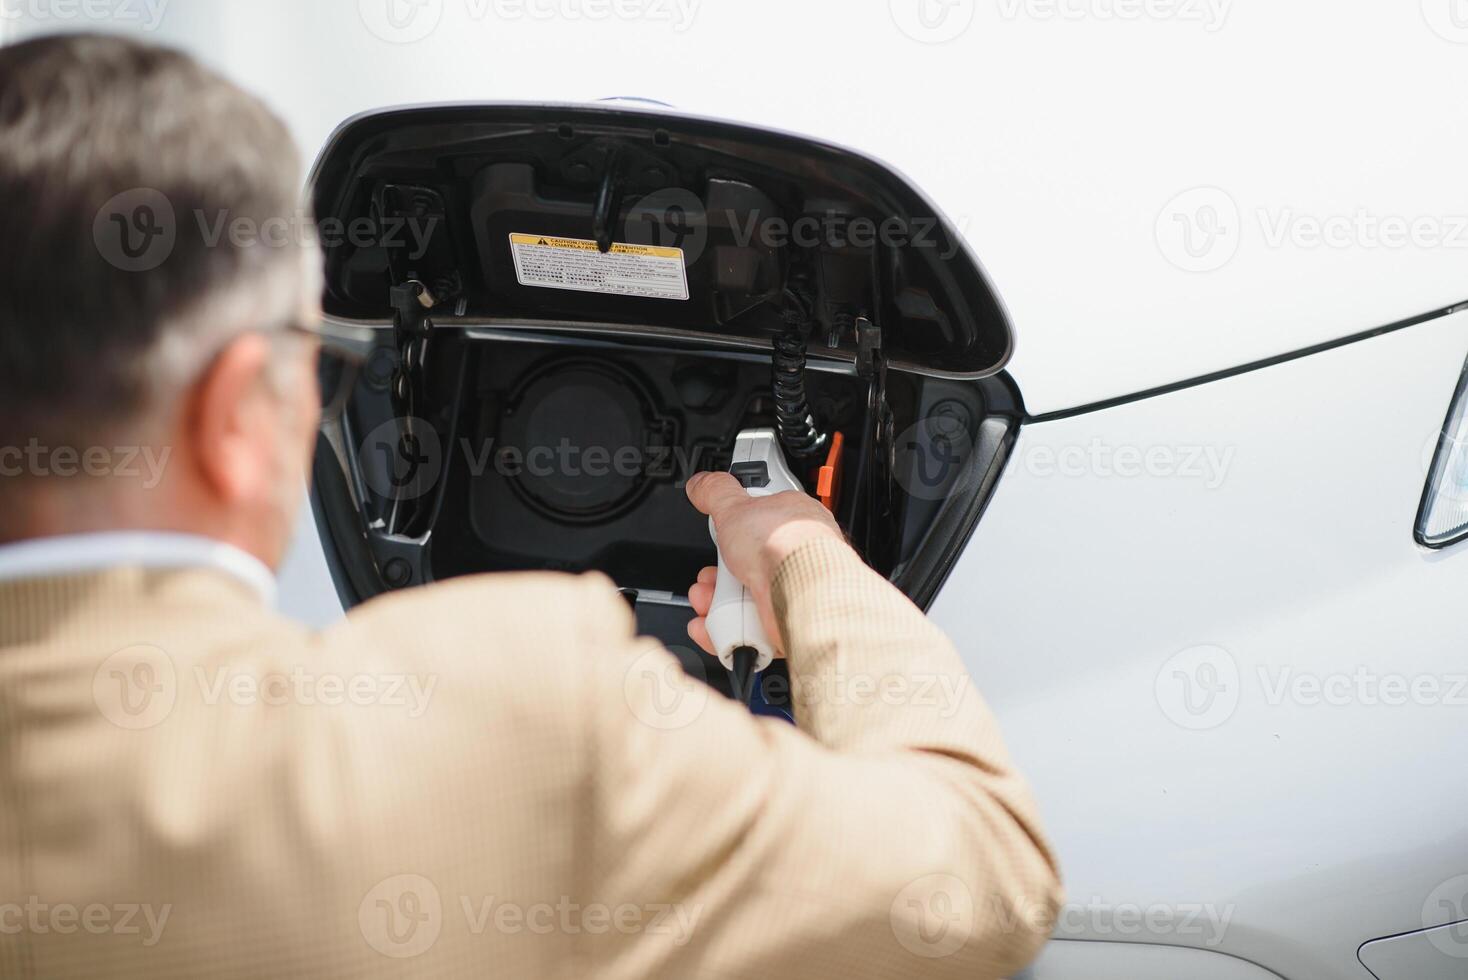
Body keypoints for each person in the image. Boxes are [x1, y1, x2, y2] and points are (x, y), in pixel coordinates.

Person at [0, 33, 1061, 980]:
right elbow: (978, 877)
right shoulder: (510, 716)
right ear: (235, 414)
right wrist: (803, 556)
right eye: (311, 360)